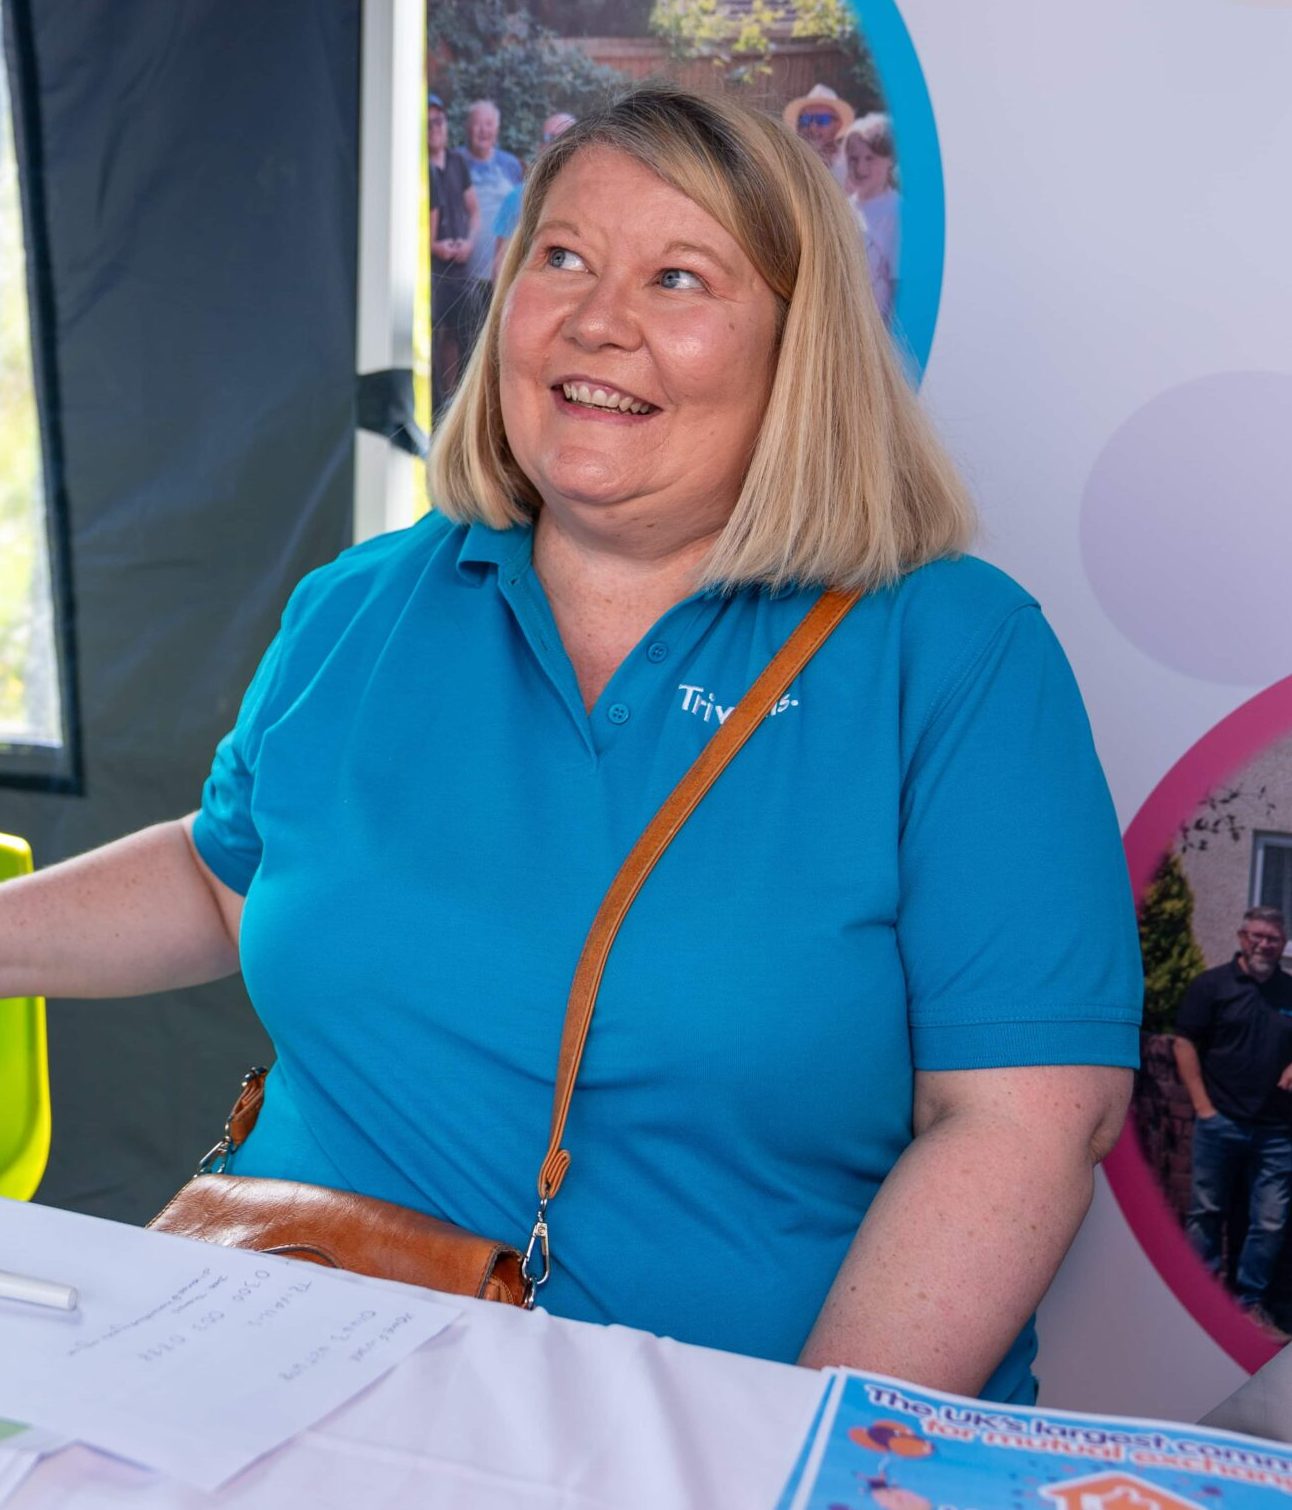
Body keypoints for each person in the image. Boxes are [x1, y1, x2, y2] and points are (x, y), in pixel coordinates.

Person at [0, 86, 1141, 1406]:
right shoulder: (362, 606)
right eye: (562, 259)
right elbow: (221, 872)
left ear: (799, 348)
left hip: (707, 1430)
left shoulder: (953, 656)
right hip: (276, 1373)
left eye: (678, 276)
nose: (599, 320)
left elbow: (1021, 1122)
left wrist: (807, 1456)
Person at [1174, 906, 1292, 1326]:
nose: (1264, 944)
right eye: (1257, 935)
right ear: (1242, 936)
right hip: (1220, 1122)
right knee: (1206, 1213)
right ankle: (1196, 1302)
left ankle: (1248, 1306)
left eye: (1273, 939)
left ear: (1282, 944)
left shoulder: (1289, 991)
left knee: (1271, 1221)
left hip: (1278, 1132)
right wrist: (1203, 1108)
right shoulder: (1213, 986)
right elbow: (1184, 1042)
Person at [429, 92, 481, 412]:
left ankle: (455, 402)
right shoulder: (415, 167)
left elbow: (473, 210)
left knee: (460, 333)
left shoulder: (458, 162)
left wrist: (471, 242)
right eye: (428, 123)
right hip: (431, 266)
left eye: (439, 121)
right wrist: (434, 246)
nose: (435, 128)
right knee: (436, 333)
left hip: (459, 265)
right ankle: (438, 400)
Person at [461, 98, 522, 354]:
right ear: (467, 128)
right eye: (477, 124)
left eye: (488, 124)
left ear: (496, 129)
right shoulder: (457, 162)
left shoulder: (510, 165)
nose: (483, 130)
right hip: (467, 276)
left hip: (504, 274)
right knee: (467, 345)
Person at [492, 112, 577, 282]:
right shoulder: (517, 198)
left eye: (566, 136)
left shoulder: (597, 200)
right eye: (550, 137)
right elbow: (500, 270)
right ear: (541, 146)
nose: (558, 144)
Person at [844, 113, 901, 325]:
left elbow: (900, 287)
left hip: (878, 333)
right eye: (853, 159)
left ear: (891, 160)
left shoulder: (898, 213)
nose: (861, 168)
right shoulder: (845, 207)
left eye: (870, 158)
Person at [782, 83, 854, 188]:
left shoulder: (850, 167)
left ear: (837, 125)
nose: (812, 127)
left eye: (822, 120)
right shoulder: (789, 163)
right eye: (806, 119)